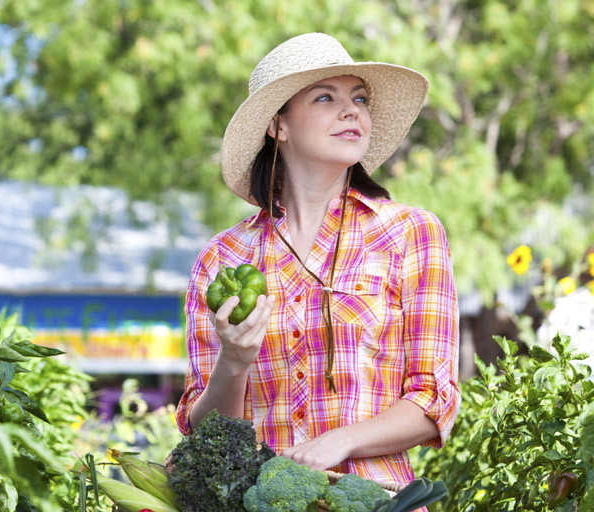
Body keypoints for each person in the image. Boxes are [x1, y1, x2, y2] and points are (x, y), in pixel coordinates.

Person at [175, 33, 460, 488]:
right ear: (278, 126)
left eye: (360, 98)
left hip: (380, 498)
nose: (352, 111)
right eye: (325, 97)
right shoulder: (223, 258)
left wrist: (340, 441)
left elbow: (433, 400)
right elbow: (204, 434)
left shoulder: (411, 234)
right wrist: (233, 360)